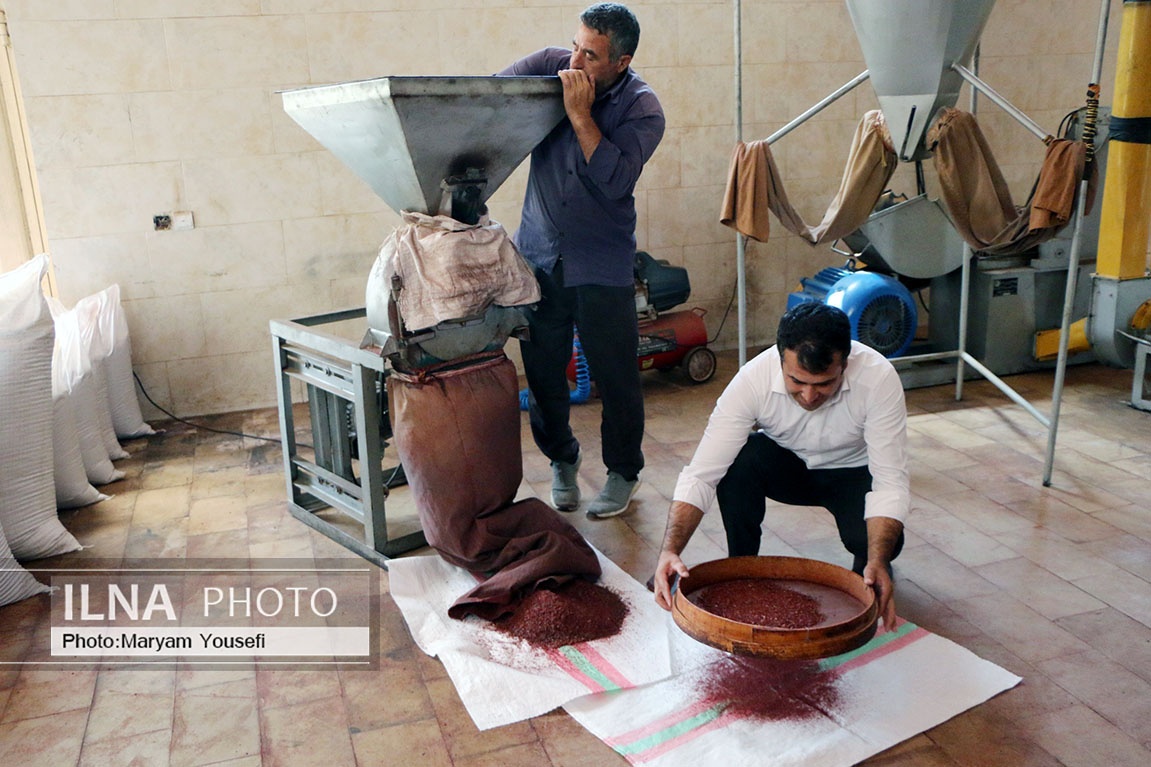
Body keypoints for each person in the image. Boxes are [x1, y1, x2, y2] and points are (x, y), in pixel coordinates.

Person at [499, 3, 665, 519]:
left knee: (617, 376)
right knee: (544, 371)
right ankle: (562, 461)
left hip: (602, 264)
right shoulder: (552, 64)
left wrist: (578, 114)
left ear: (621, 60)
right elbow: (490, 99)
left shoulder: (643, 109)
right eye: (575, 45)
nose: (575, 60)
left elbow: (615, 179)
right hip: (542, 255)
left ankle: (622, 474)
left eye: (590, 55)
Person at [652, 303, 909, 629]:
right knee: (737, 462)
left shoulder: (878, 377)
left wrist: (878, 559)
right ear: (779, 358)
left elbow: (890, 481)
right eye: (797, 381)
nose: (809, 396)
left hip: (854, 472)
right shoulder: (752, 380)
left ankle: (868, 568)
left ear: (845, 363)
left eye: (824, 384)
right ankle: (742, 568)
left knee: (886, 544)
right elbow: (702, 474)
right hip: (788, 465)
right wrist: (670, 551)